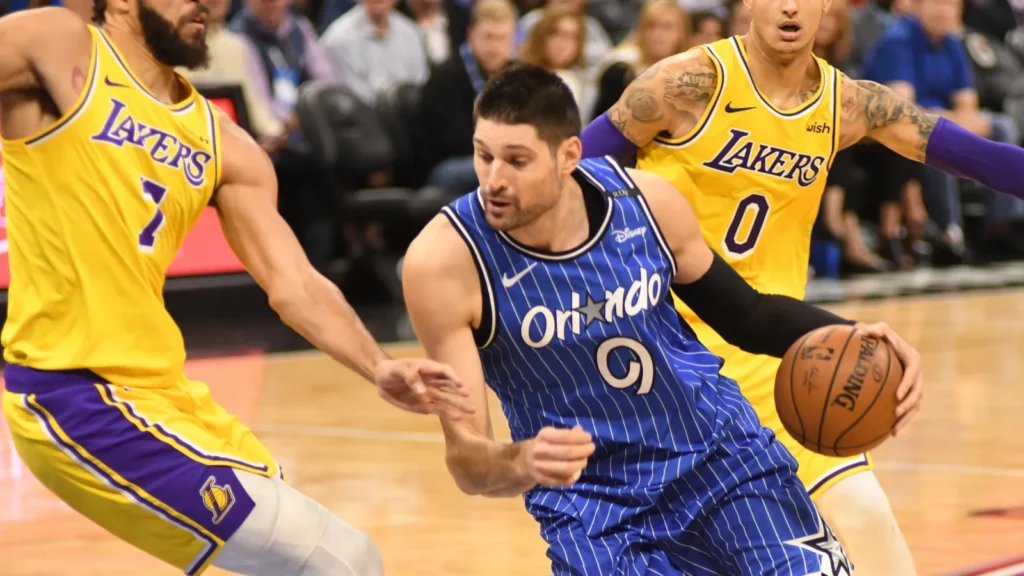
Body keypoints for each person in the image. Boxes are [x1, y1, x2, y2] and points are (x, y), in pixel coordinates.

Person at [0, 4, 473, 576]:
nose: (205, 3)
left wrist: (377, 366)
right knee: (342, 562)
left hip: (165, 396)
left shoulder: (223, 139)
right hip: (75, 393)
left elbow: (294, 282)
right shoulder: (62, 46)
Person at [402, 63, 925, 575]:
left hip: (721, 461)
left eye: (516, 160)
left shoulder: (645, 202)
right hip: (595, 509)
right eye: (483, 155)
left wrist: (855, 336)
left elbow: (747, 316)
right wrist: (518, 462)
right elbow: (467, 461)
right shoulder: (446, 264)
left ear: (568, 156)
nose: (493, 179)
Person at [578, 0, 1024, 571]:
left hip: (777, 353)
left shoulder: (847, 104)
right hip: (663, 362)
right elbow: (568, 174)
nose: (790, 6)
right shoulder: (684, 83)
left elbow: (978, 157)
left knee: (869, 522)